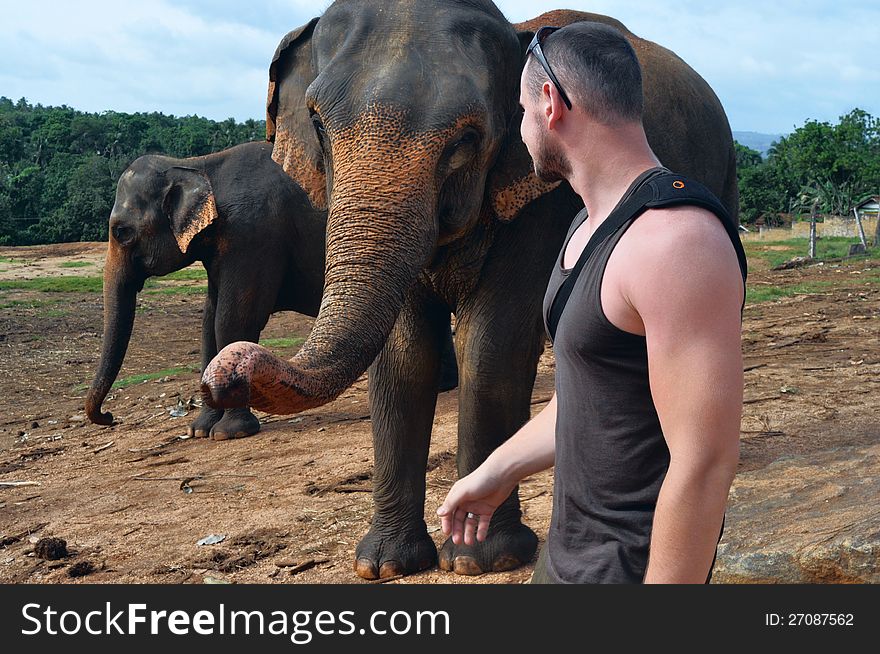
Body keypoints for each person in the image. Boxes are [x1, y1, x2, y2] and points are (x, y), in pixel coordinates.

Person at [437, 22, 746, 583]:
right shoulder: (587, 226)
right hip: (567, 562)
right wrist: (496, 470)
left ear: (551, 103)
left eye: (522, 112)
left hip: (628, 573)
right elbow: (591, 392)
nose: (523, 130)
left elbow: (704, 463)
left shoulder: (674, 241)